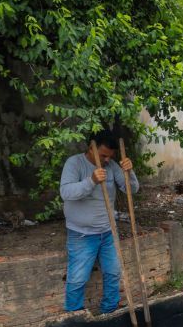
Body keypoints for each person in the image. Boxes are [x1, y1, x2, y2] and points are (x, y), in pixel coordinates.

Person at [60, 131, 139, 313]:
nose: (106, 160)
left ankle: (109, 312)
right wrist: (92, 181)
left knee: (113, 273)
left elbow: (131, 190)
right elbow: (66, 193)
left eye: (109, 156)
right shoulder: (75, 163)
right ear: (91, 149)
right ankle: (75, 317)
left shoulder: (111, 165)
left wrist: (129, 172)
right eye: (103, 155)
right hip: (82, 234)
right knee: (78, 279)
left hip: (108, 231)